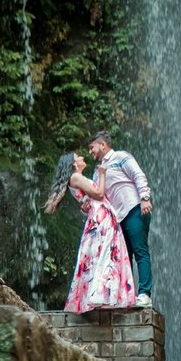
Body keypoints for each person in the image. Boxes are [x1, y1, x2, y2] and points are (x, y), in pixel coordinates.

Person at [70, 130, 154, 308]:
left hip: (133, 209)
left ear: (102, 144)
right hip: (116, 219)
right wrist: (85, 206)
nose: (90, 152)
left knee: (140, 251)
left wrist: (145, 198)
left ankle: (145, 294)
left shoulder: (121, 157)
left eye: (92, 147)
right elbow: (99, 198)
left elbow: (138, 175)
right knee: (123, 257)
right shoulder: (96, 172)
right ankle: (126, 296)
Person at [44, 151, 136, 312]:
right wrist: (102, 174)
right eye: (78, 157)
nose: (81, 157)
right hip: (101, 218)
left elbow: (90, 200)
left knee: (100, 255)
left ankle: (101, 296)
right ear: (73, 164)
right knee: (106, 255)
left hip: (100, 216)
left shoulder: (77, 178)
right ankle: (100, 296)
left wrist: (85, 206)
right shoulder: (76, 177)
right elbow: (99, 194)